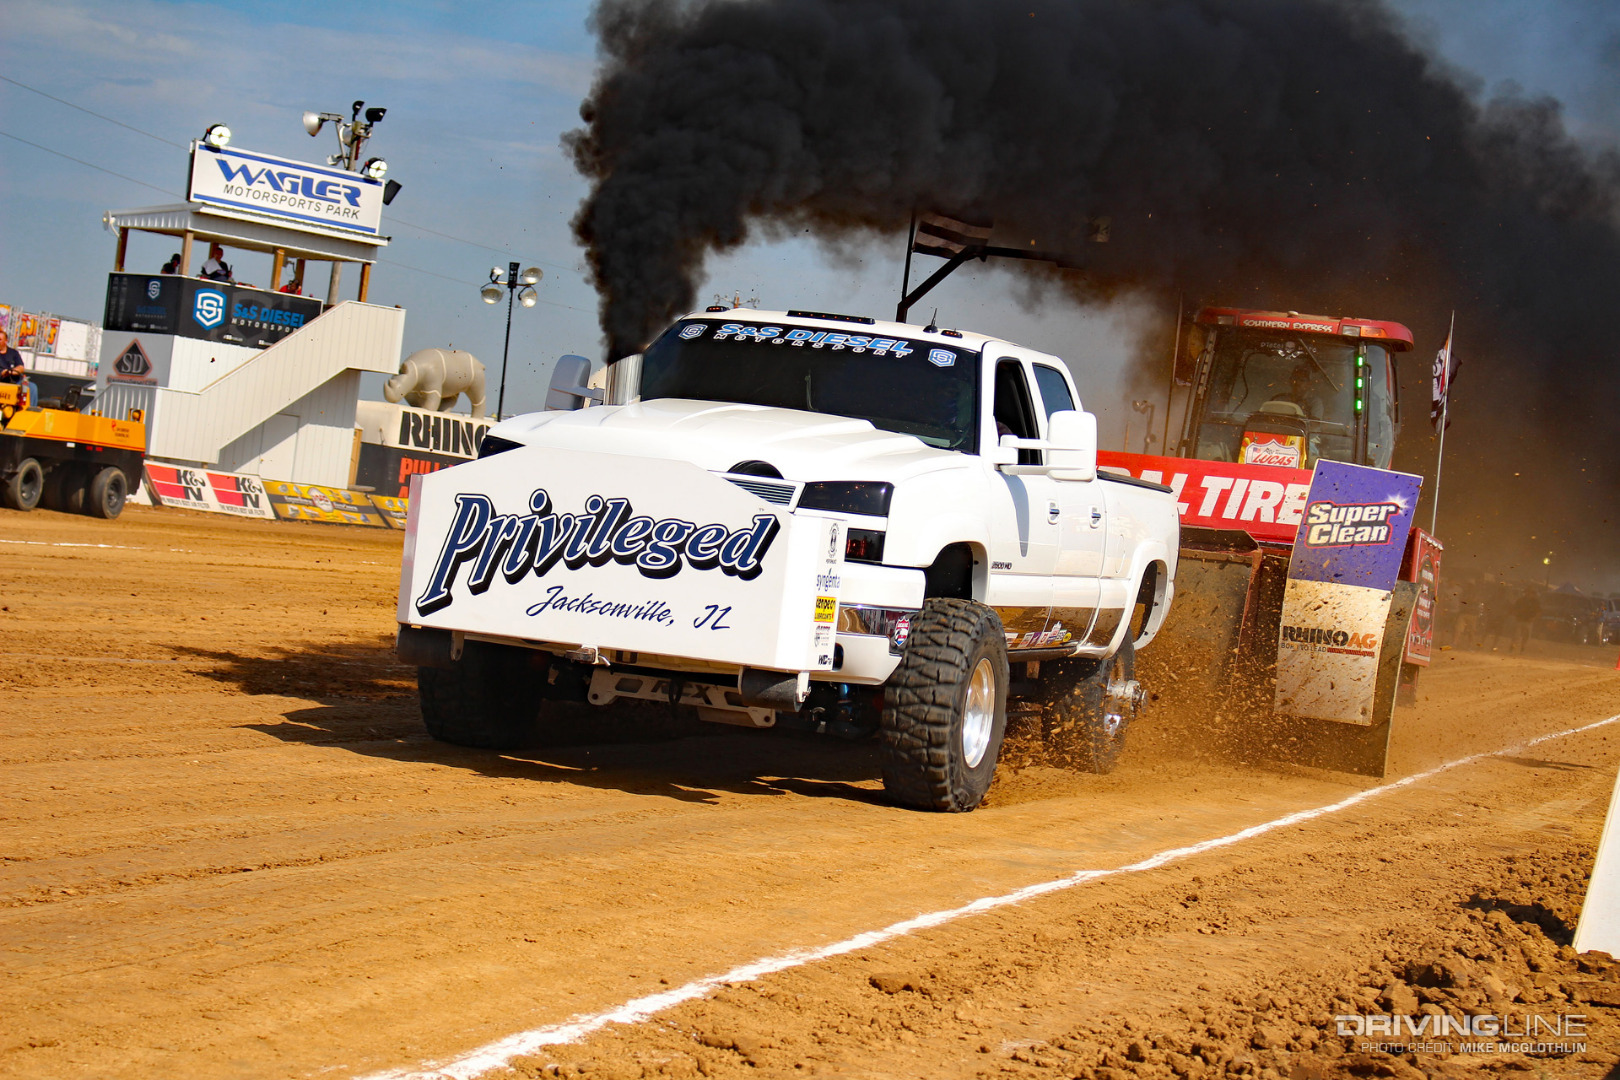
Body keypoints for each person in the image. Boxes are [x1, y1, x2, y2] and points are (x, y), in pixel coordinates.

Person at [0, 327, 33, 410]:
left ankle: (29, 410)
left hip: (15, 381)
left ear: (6, 341)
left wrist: (13, 372)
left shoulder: (13, 353)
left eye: (0, 339)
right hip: (2, 382)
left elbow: (21, 367)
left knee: (32, 387)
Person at [1511, 587, 1542, 654]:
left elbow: (1539, 612)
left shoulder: (1535, 602)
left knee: (1526, 636)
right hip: (1520, 620)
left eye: (1530, 593)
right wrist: (1515, 614)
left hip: (1528, 621)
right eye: (1528, 592)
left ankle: (1522, 647)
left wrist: (1534, 618)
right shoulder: (1520, 600)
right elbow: (1514, 608)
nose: (1529, 594)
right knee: (1516, 635)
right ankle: (1513, 647)